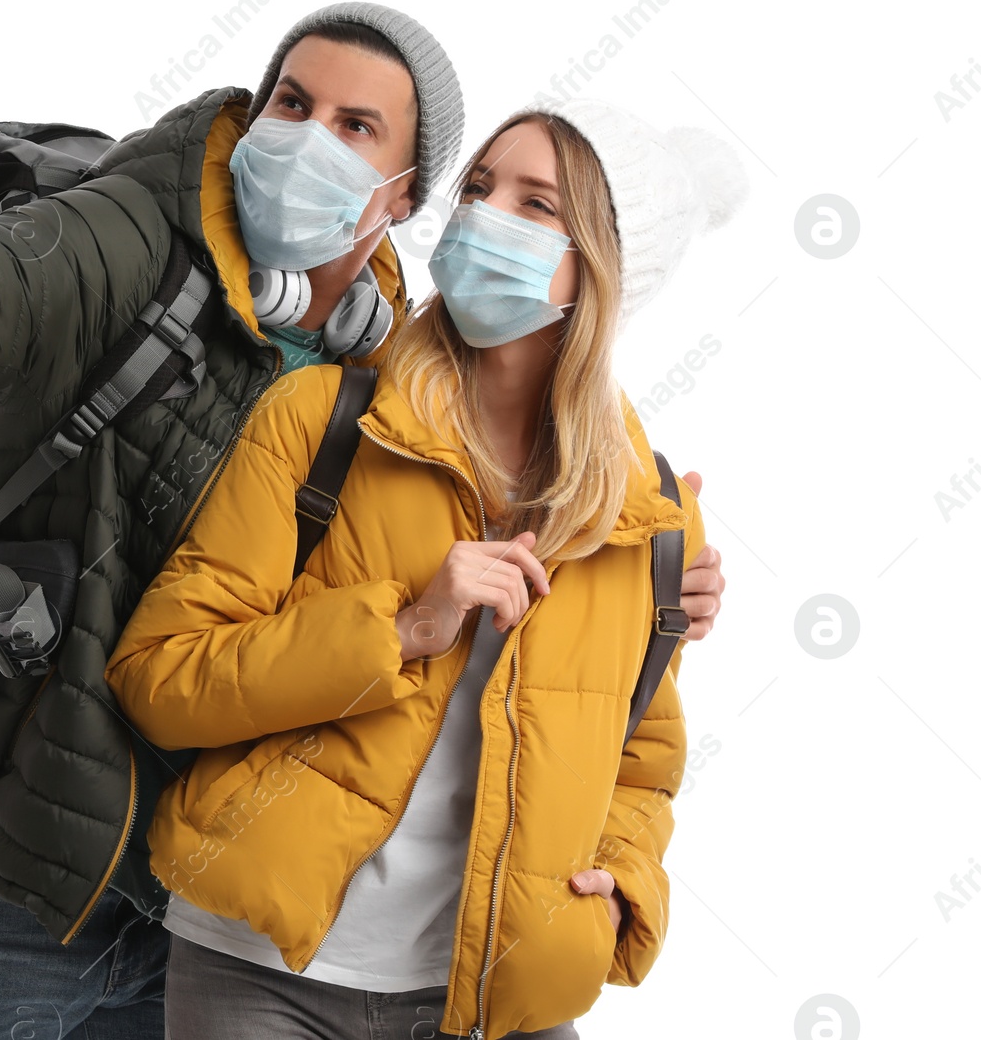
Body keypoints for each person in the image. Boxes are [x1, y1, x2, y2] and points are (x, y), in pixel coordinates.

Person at [0, 0, 728, 1038]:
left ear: (399, 193)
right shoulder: (124, 244)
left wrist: (654, 578)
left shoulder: (387, 370)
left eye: (355, 126)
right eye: (289, 103)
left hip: (204, 899)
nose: (307, 140)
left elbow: (569, 678)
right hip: (15, 853)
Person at [104, 99, 747, 1039]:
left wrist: (623, 882)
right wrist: (402, 628)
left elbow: (641, 764)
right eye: (481, 188)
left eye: (537, 206)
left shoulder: (645, 516)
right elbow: (158, 678)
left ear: (600, 268)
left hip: (499, 1000)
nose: (485, 218)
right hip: (263, 973)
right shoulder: (321, 419)